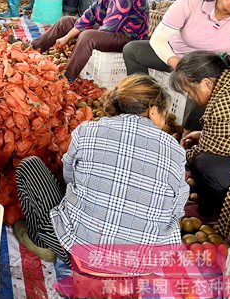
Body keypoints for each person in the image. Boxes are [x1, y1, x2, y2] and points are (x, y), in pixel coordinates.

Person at [15, 74, 187, 268]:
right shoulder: (176, 150)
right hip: (143, 266)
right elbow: (176, 209)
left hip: (82, 257)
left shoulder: (88, 130)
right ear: (154, 111)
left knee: (30, 166)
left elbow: (69, 177)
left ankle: (42, 243)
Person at [123, 0, 230, 130]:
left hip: (213, 69)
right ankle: (143, 102)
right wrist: (178, 63)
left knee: (201, 89)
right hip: (179, 57)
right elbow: (159, 38)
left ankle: (189, 134)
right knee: (132, 50)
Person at [32, 0, 148, 82]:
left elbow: (111, 25)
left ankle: (66, 78)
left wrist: (80, 39)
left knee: (87, 37)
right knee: (66, 21)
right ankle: (33, 49)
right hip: (109, 27)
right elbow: (92, 12)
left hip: (128, 36)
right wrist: (67, 36)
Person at [171, 52, 230, 238]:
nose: (190, 96)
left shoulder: (222, 109)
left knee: (203, 162)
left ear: (206, 82)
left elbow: (207, 150)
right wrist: (206, 134)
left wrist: (177, 154)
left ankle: (209, 212)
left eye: (189, 91)